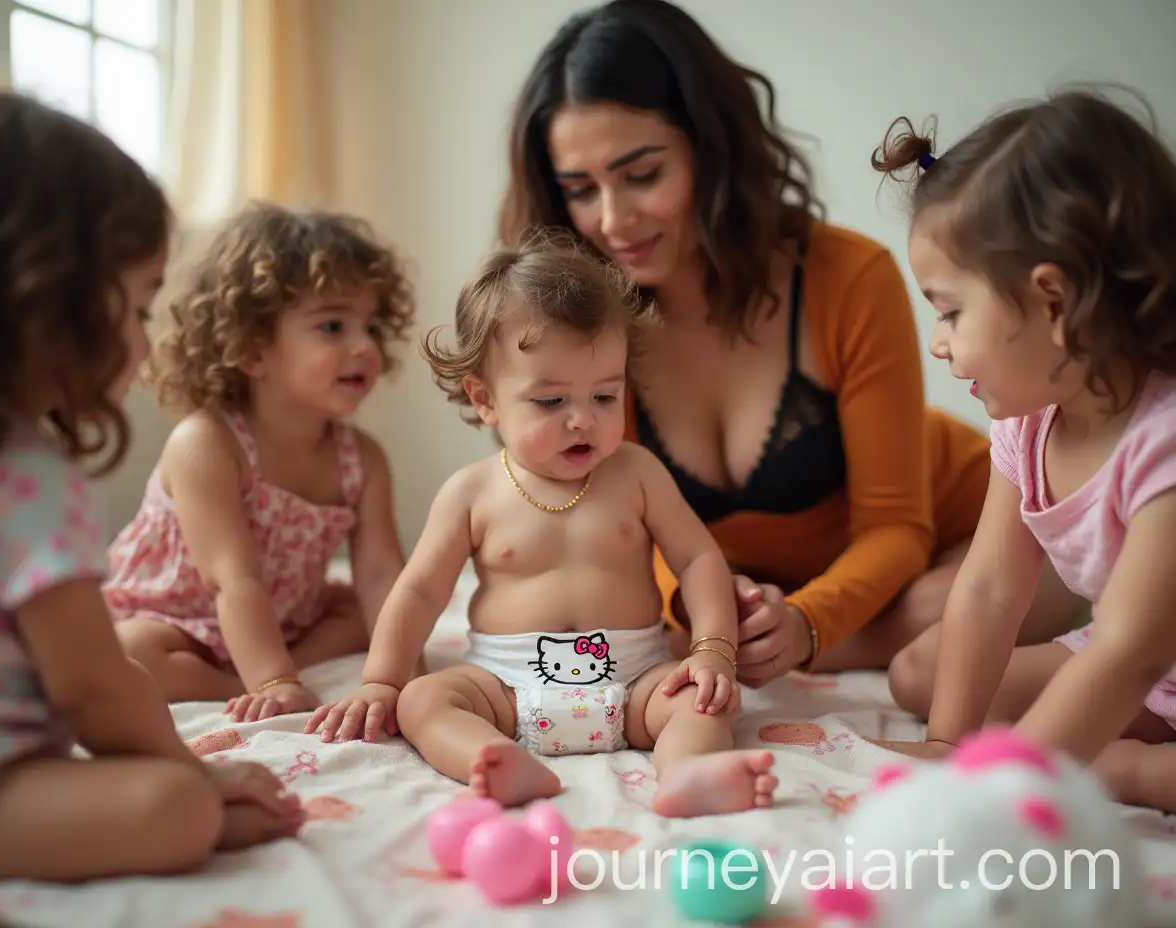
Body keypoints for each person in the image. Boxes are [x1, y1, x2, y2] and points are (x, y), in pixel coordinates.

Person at [496, 0, 1086, 686]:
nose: (613, 218)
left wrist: (806, 624)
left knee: (964, 607)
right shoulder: (582, 332)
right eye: (579, 189)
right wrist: (703, 609)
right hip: (763, 598)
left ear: (709, 146)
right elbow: (613, 526)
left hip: (952, 548)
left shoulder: (848, 277)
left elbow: (897, 527)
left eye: (643, 174)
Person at [0, 89, 301, 881]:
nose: (146, 341)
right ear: (45, 299)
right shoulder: (23, 478)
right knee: (174, 809)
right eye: (139, 308)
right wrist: (193, 773)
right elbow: (94, 688)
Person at [305, 233, 778, 816]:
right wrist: (382, 678)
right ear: (485, 400)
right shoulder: (471, 492)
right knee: (424, 700)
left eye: (605, 396)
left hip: (634, 682)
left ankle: (687, 773)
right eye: (551, 402)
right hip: (505, 688)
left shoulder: (637, 472)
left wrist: (711, 652)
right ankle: (496, 761)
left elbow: (699, 560)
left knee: (701, 703)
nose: (583, 420)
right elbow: (420, 590)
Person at [872, 88, 1176, 812]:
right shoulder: (1031, 421)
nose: (938, 341)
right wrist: (950, 744)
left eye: (949, 311)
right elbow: (988, 589)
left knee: (1119, 766)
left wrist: (995, 784)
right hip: (1148, 674)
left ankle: (1132, 771)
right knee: (918, 674)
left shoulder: (1163, 441)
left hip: (1142, 658)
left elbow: (1132, 650)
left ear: (1053, 303)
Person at [104, 202, 417, 722]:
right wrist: (276, 681)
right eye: (333, 326)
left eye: (372, 326)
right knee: (127, 651)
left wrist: (408, 674)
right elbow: (233, 580)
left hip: (285, 618)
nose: (364, 346)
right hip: (184, 621)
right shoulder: (206, 444)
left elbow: (383, 574)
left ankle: (269, 663)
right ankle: (232, 683)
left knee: (366, 614)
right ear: (251, 349)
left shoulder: (362, 459)